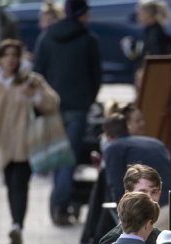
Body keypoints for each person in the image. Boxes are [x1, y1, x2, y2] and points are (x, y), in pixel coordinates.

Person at [0, 39, 59, 244]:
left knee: (20, 184)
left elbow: (52, 102)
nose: (10, 59)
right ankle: (15, 223)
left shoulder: (31, 80)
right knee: (11, 185)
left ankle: (17, 224)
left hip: (27, 144)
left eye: (14, 55)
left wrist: (34, 94)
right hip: (4, 145)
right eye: (6, 55)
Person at [33, 0, 102, 226]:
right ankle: (60, 206)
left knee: (57, 157)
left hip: (52, 108)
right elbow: (96, 75)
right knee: (67, 159)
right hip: (77, 108)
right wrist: (87, 99)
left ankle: (58, 204)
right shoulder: (88, 39)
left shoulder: (47, 37)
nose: (89, 18)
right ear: (81, 14)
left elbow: (37, 73)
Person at [101, 113, 170, 206]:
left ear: (106, 135)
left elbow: (116, 185)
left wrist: (122, 210)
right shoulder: (155, 142)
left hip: (157, 206)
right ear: (127, 129)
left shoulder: (113, 148)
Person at [121, 0, 171, 69]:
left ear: (148, 14)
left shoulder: (155, 33)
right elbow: (141, 54)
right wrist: (129, 49)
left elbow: (155, 57)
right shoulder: (148, 30)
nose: (137, 17)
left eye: (139, 14)